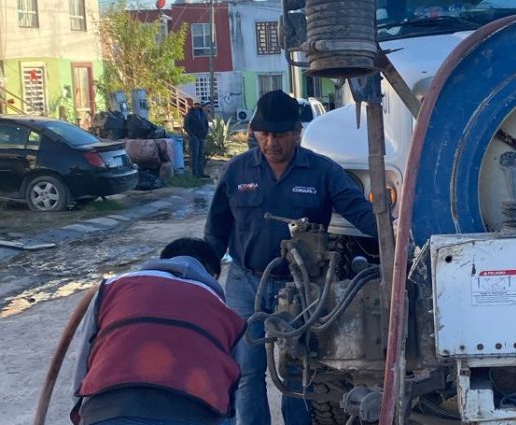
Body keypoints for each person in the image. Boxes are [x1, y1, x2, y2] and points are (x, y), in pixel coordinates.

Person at [205, 89, 378, 425]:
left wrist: (397, 237)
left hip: (303, 289)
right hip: (246, 283)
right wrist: (201, 275)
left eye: (280, 135)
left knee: (299, 373)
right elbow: (215, 231)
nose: (271, 143)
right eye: (264, 134)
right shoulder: (237, 172)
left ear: (298, 132)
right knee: (247, 371)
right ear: (254, 132)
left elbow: (362, 214)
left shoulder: (323, 172)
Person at [70, 237, 246, 425]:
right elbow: (228, 396)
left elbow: (85, 364)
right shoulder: (225, 314)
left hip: (108, 412)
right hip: (191, 415)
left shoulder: (112, 289)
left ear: (164, 261)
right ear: (212, 275)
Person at [185, 101, 210, 178]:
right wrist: (192, 135)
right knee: (194, 156)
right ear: (193, 105)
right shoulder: (190, 114)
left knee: (201, 155)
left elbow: (206, 124)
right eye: (195, 104)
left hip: (201, 137)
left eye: (198, 104)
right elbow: (186, 126)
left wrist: (205, 133)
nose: (197, 106)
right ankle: (195, 174)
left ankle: (200, 173)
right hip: (194, 137)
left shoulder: (202, 113)